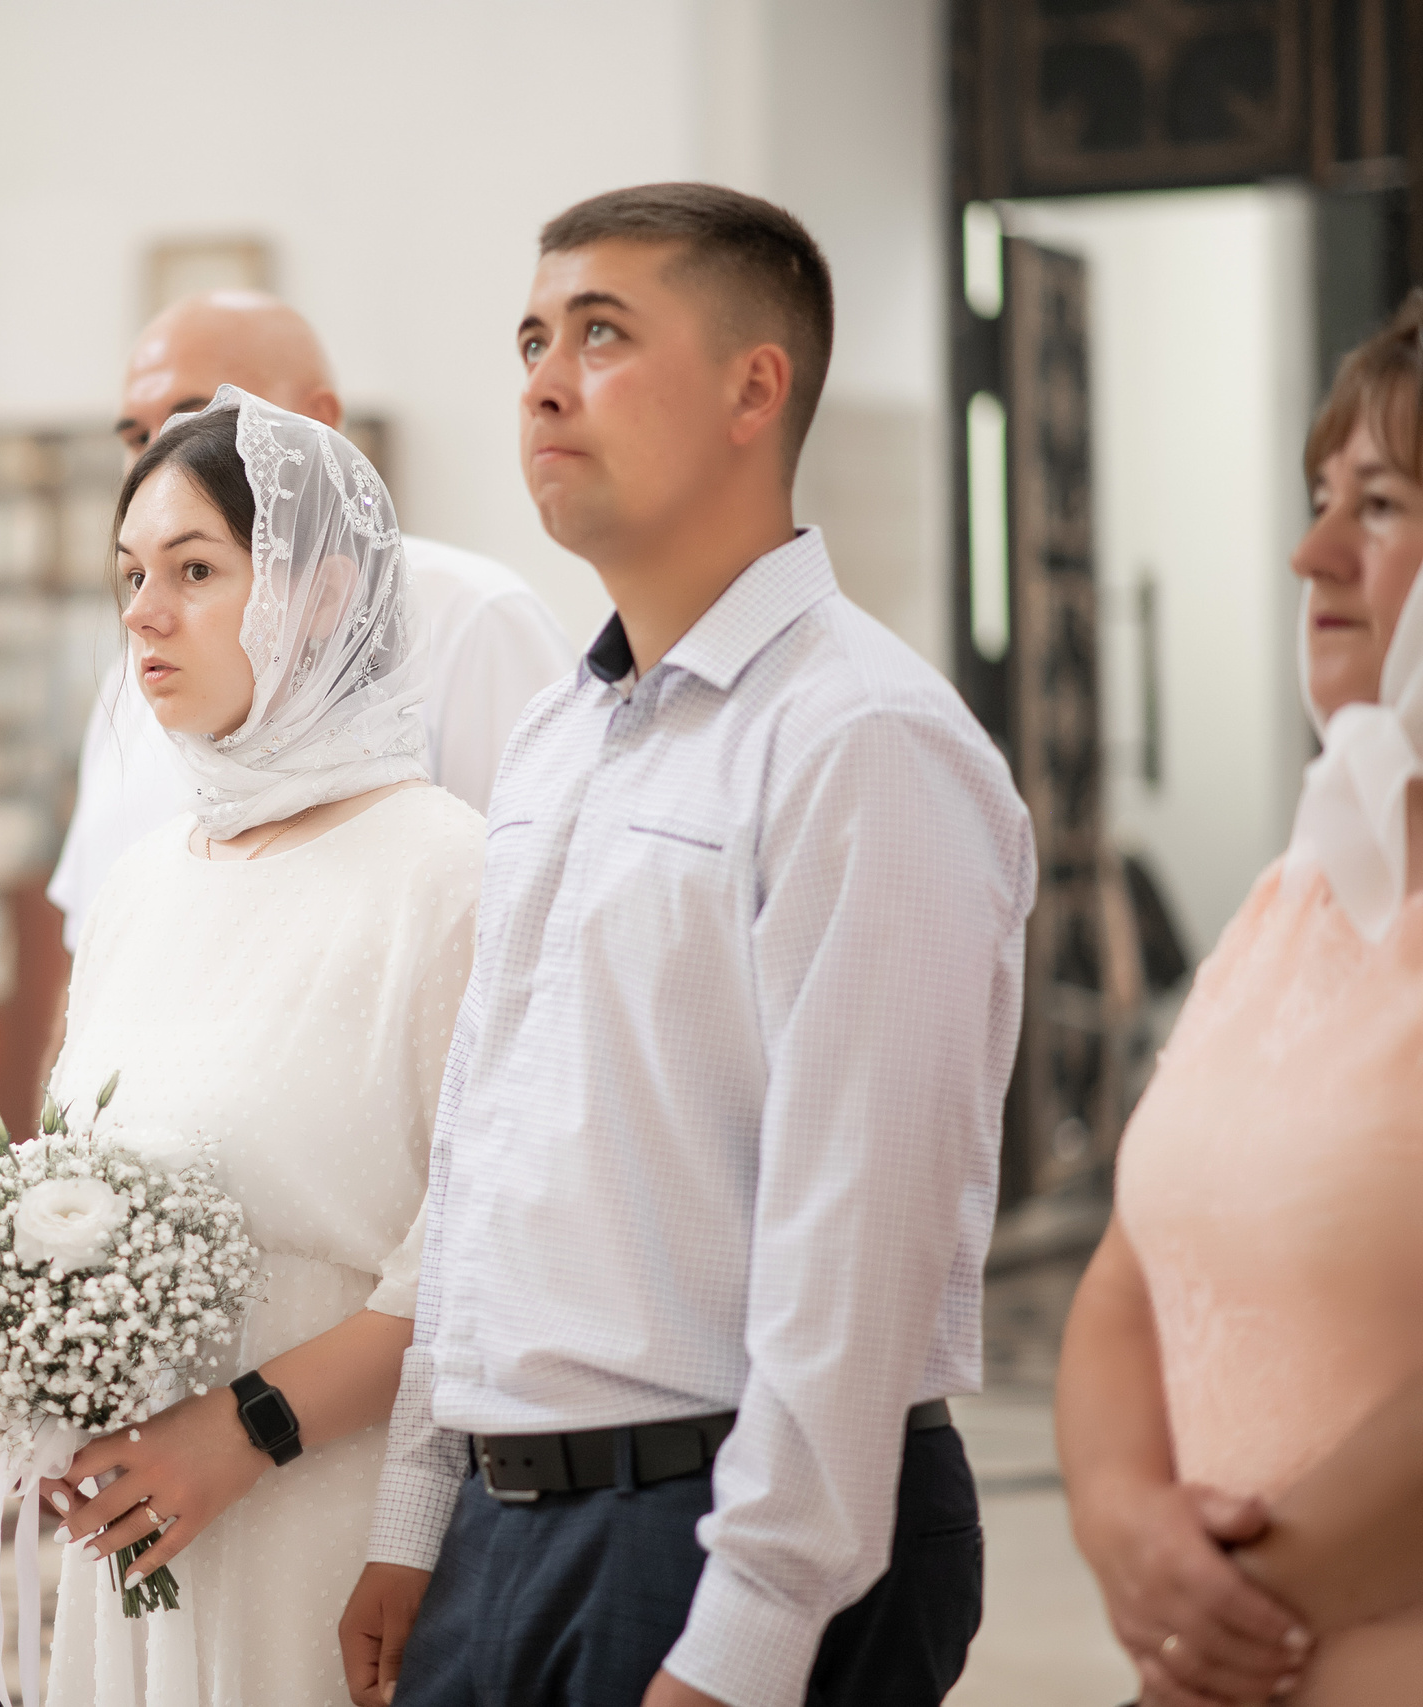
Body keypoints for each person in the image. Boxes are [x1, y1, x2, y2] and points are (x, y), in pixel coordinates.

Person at [341, 184, 1034, 1707]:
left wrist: (750, 1630)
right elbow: (479, 1150)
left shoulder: (862, 737)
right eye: (531, 336)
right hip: (508, 1520)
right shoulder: (554, 734)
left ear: (752, 386)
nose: (540, 378)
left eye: (602, 333)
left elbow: (861, 1224)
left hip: (730, 1522)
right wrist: (416, 1507)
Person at [38, 387, 485, 1706]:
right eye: (129, 574)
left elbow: (474, 1252)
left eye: (194, 569)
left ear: (322, 592)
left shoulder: (444, 870)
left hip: (324, 1507)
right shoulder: (139, 884)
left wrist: (243, 1434)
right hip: (134, 1522)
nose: (144, 612)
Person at [1055, 292, 1423, 1707]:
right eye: (1320, 496)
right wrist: (1119, 1519)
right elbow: (1126, 1273)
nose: (1309, 550)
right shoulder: (1293, 899)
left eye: (1378, 505)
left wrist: (1223, 1629)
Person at [45, 289, 576, 951]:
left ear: (319, 420)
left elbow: (543, 931)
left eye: (195, 413)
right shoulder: (139, 668)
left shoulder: (475, 618)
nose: (162, 453)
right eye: (134, 434)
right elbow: (89, 962)